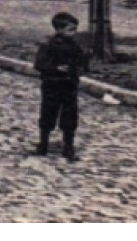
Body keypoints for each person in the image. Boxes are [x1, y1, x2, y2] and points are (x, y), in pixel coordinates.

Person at [33, 11, 92, 161]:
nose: (73, 33)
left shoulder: (75, 47)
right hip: (52, 85)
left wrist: (82, 66)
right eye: (70, 29)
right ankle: (43, 144)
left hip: (69, 86)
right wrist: (55, 68)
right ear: (59, 30)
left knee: (70, 117)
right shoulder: (49, 46)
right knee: (48, 114)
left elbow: (82, 63)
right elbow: (39, 64)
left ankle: (68, 147)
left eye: (74, 30)